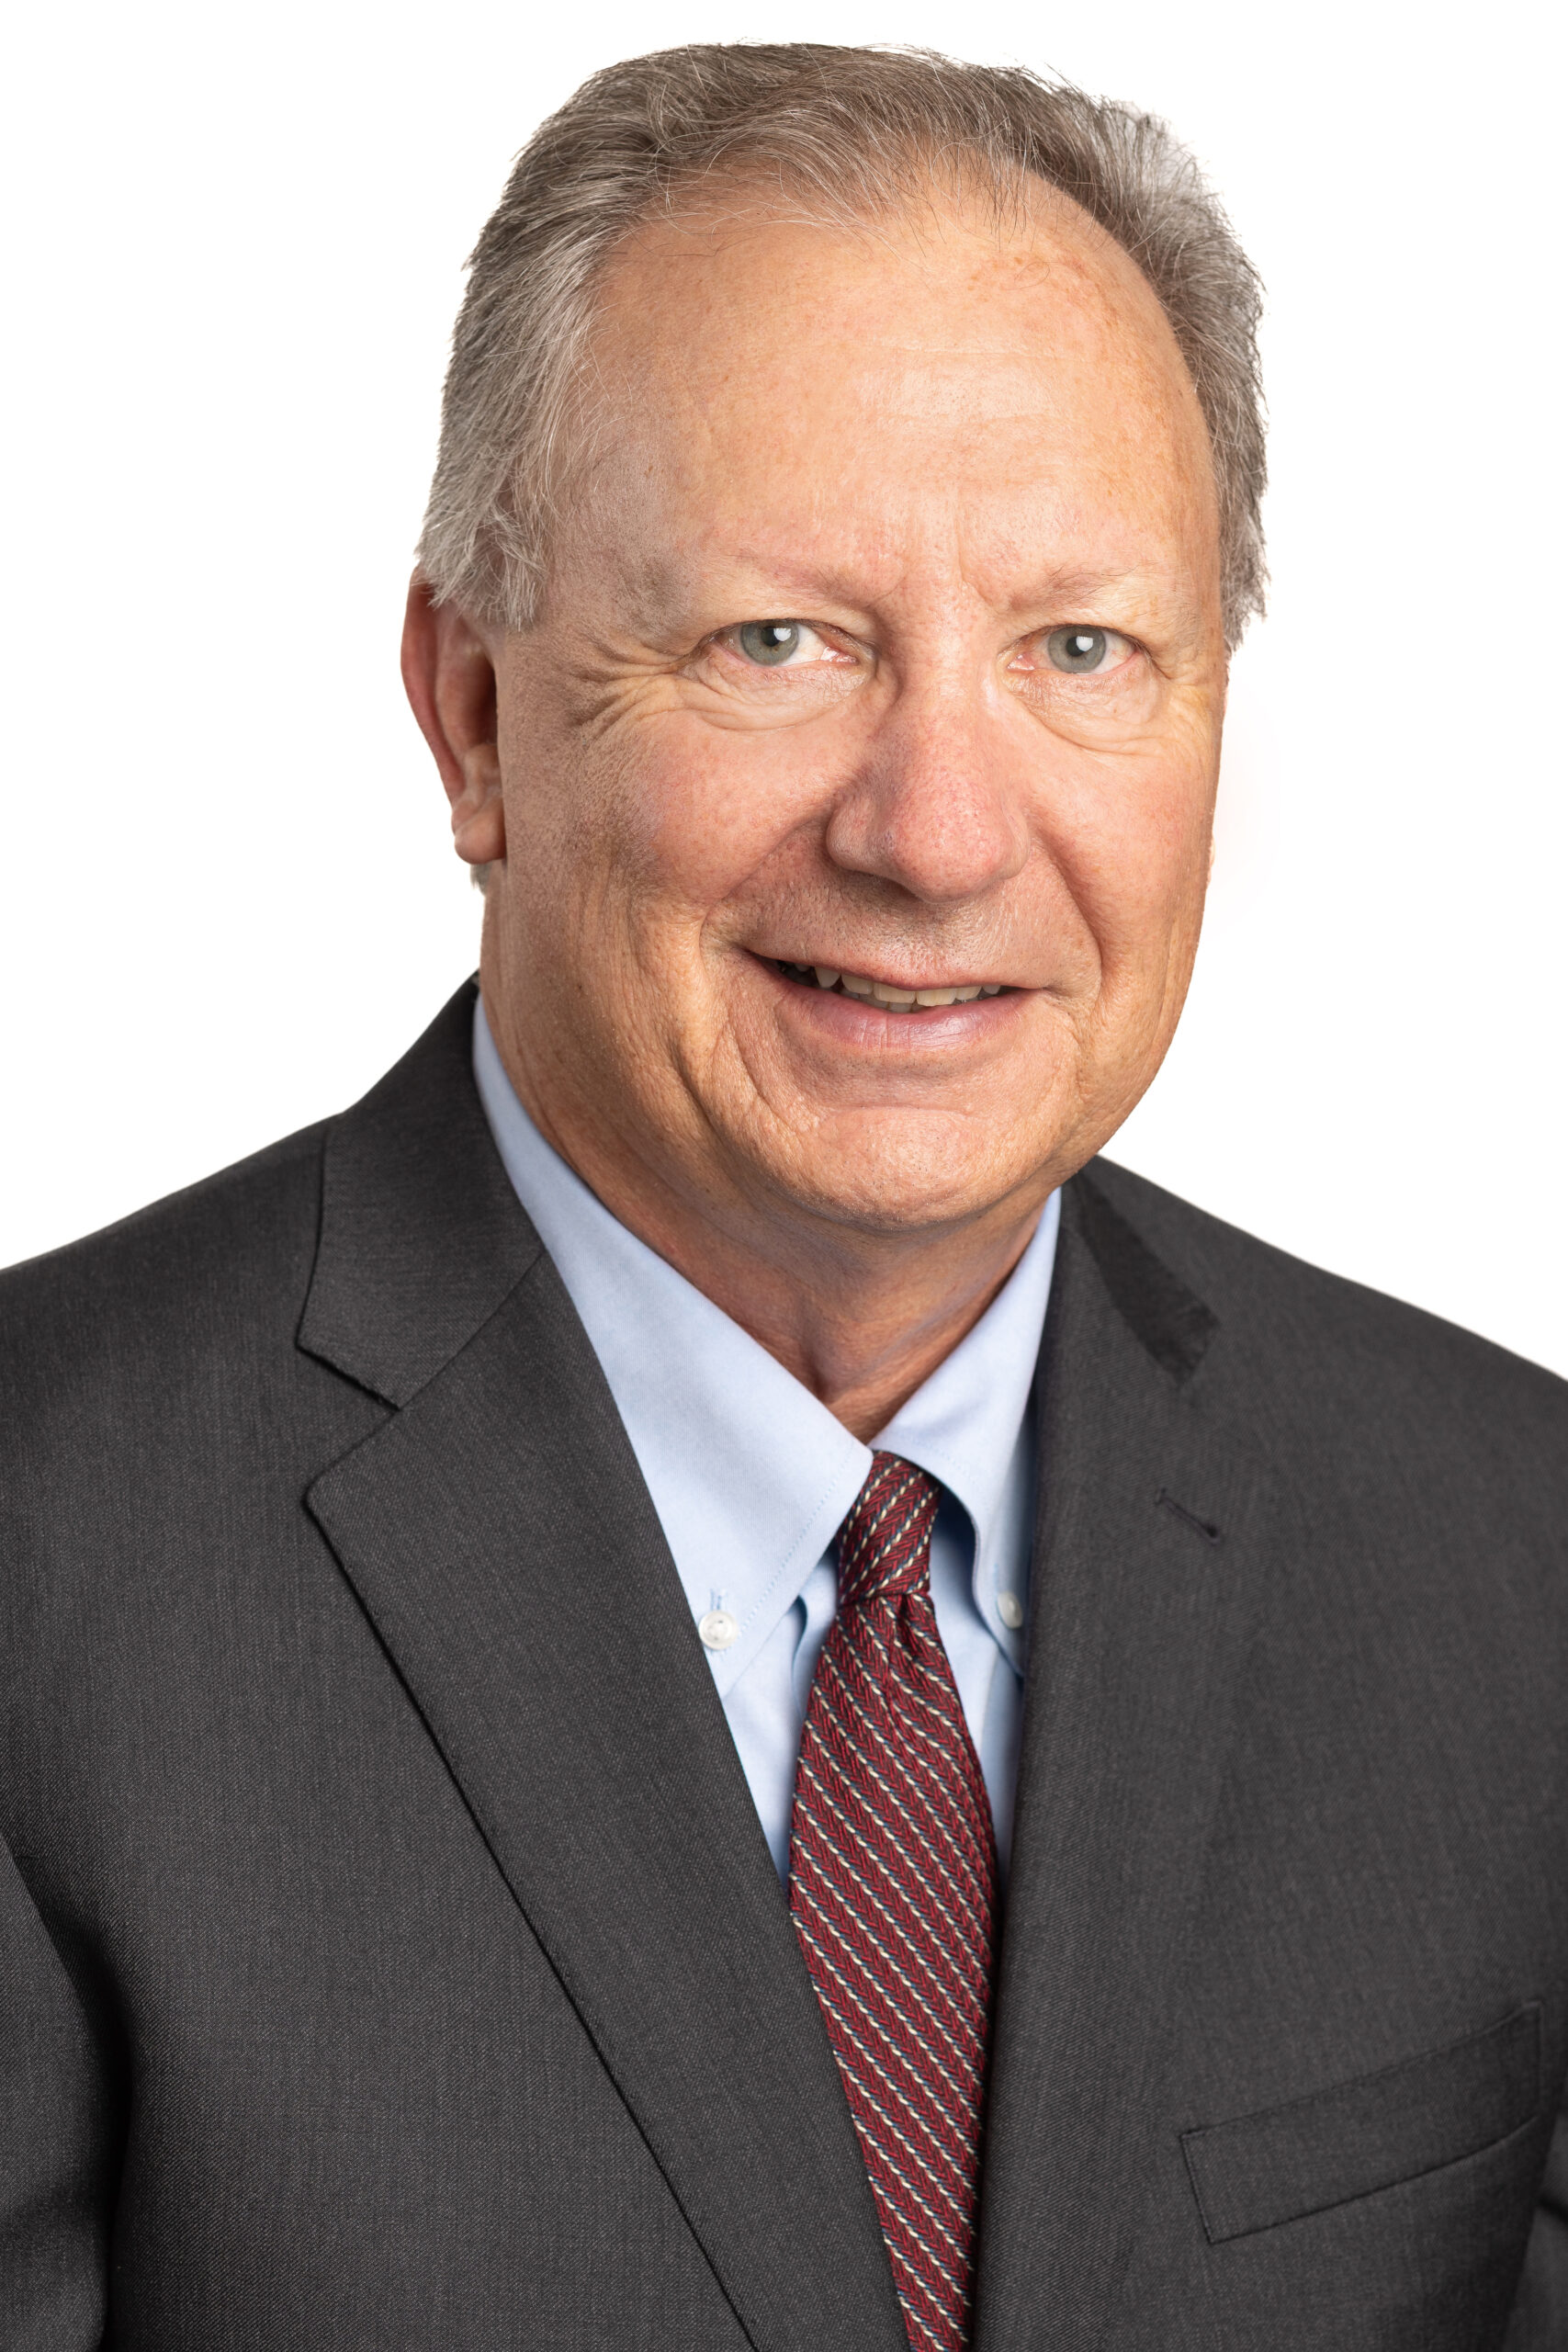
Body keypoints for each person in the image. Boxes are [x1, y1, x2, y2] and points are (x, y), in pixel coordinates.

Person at [1, 40, 1563, 2351]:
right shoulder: (44, 1564)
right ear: (473, 715)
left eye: (1077, 648)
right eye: (776, 642)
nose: (934, 831)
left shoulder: (1511, 1551)